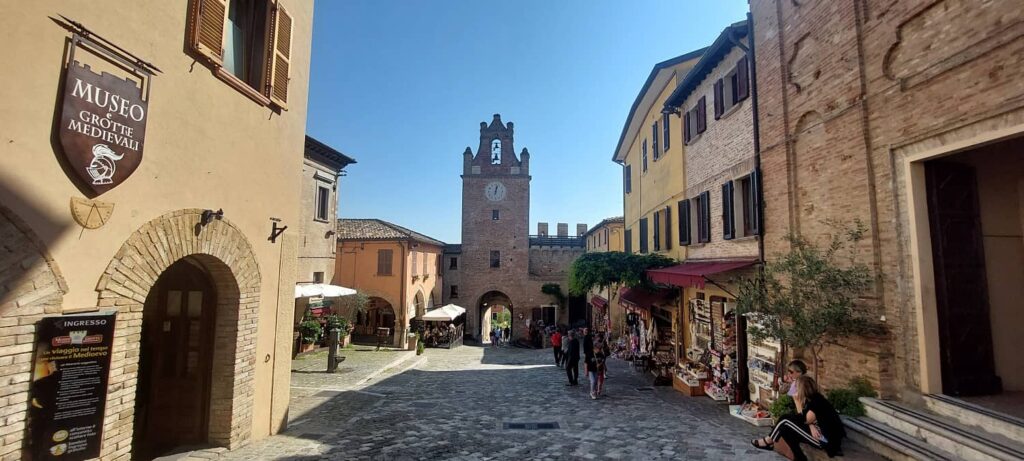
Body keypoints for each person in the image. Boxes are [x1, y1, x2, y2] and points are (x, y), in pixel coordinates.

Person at [752, 376, 845, 461]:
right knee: (785, 430)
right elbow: (806, 420)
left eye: (796, 387)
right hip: (820, 433)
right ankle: (800, 458)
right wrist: (811, 425)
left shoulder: (816, 403)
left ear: (802, 389)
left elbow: (803, 419)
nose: (794, 389)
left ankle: (768, 441)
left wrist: (797, 400)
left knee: (785, 419)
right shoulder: (813, 398)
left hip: (825, 440)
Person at [593, 332, 610, 397]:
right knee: (597, 379)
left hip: (599, 366)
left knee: (599, 379)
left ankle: (598, 390)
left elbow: (603, 359)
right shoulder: (596, 344)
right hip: (597, 367)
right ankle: (597, 389)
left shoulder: (600, 344)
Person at [582, 328, 597, 399]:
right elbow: (586, 361)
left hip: (596, 368)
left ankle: (594, 391)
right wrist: (586, 371)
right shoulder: (589, 353)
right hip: (591, 368)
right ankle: (592, 392)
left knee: (595, 381)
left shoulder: (597, 352)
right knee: (593, 381)